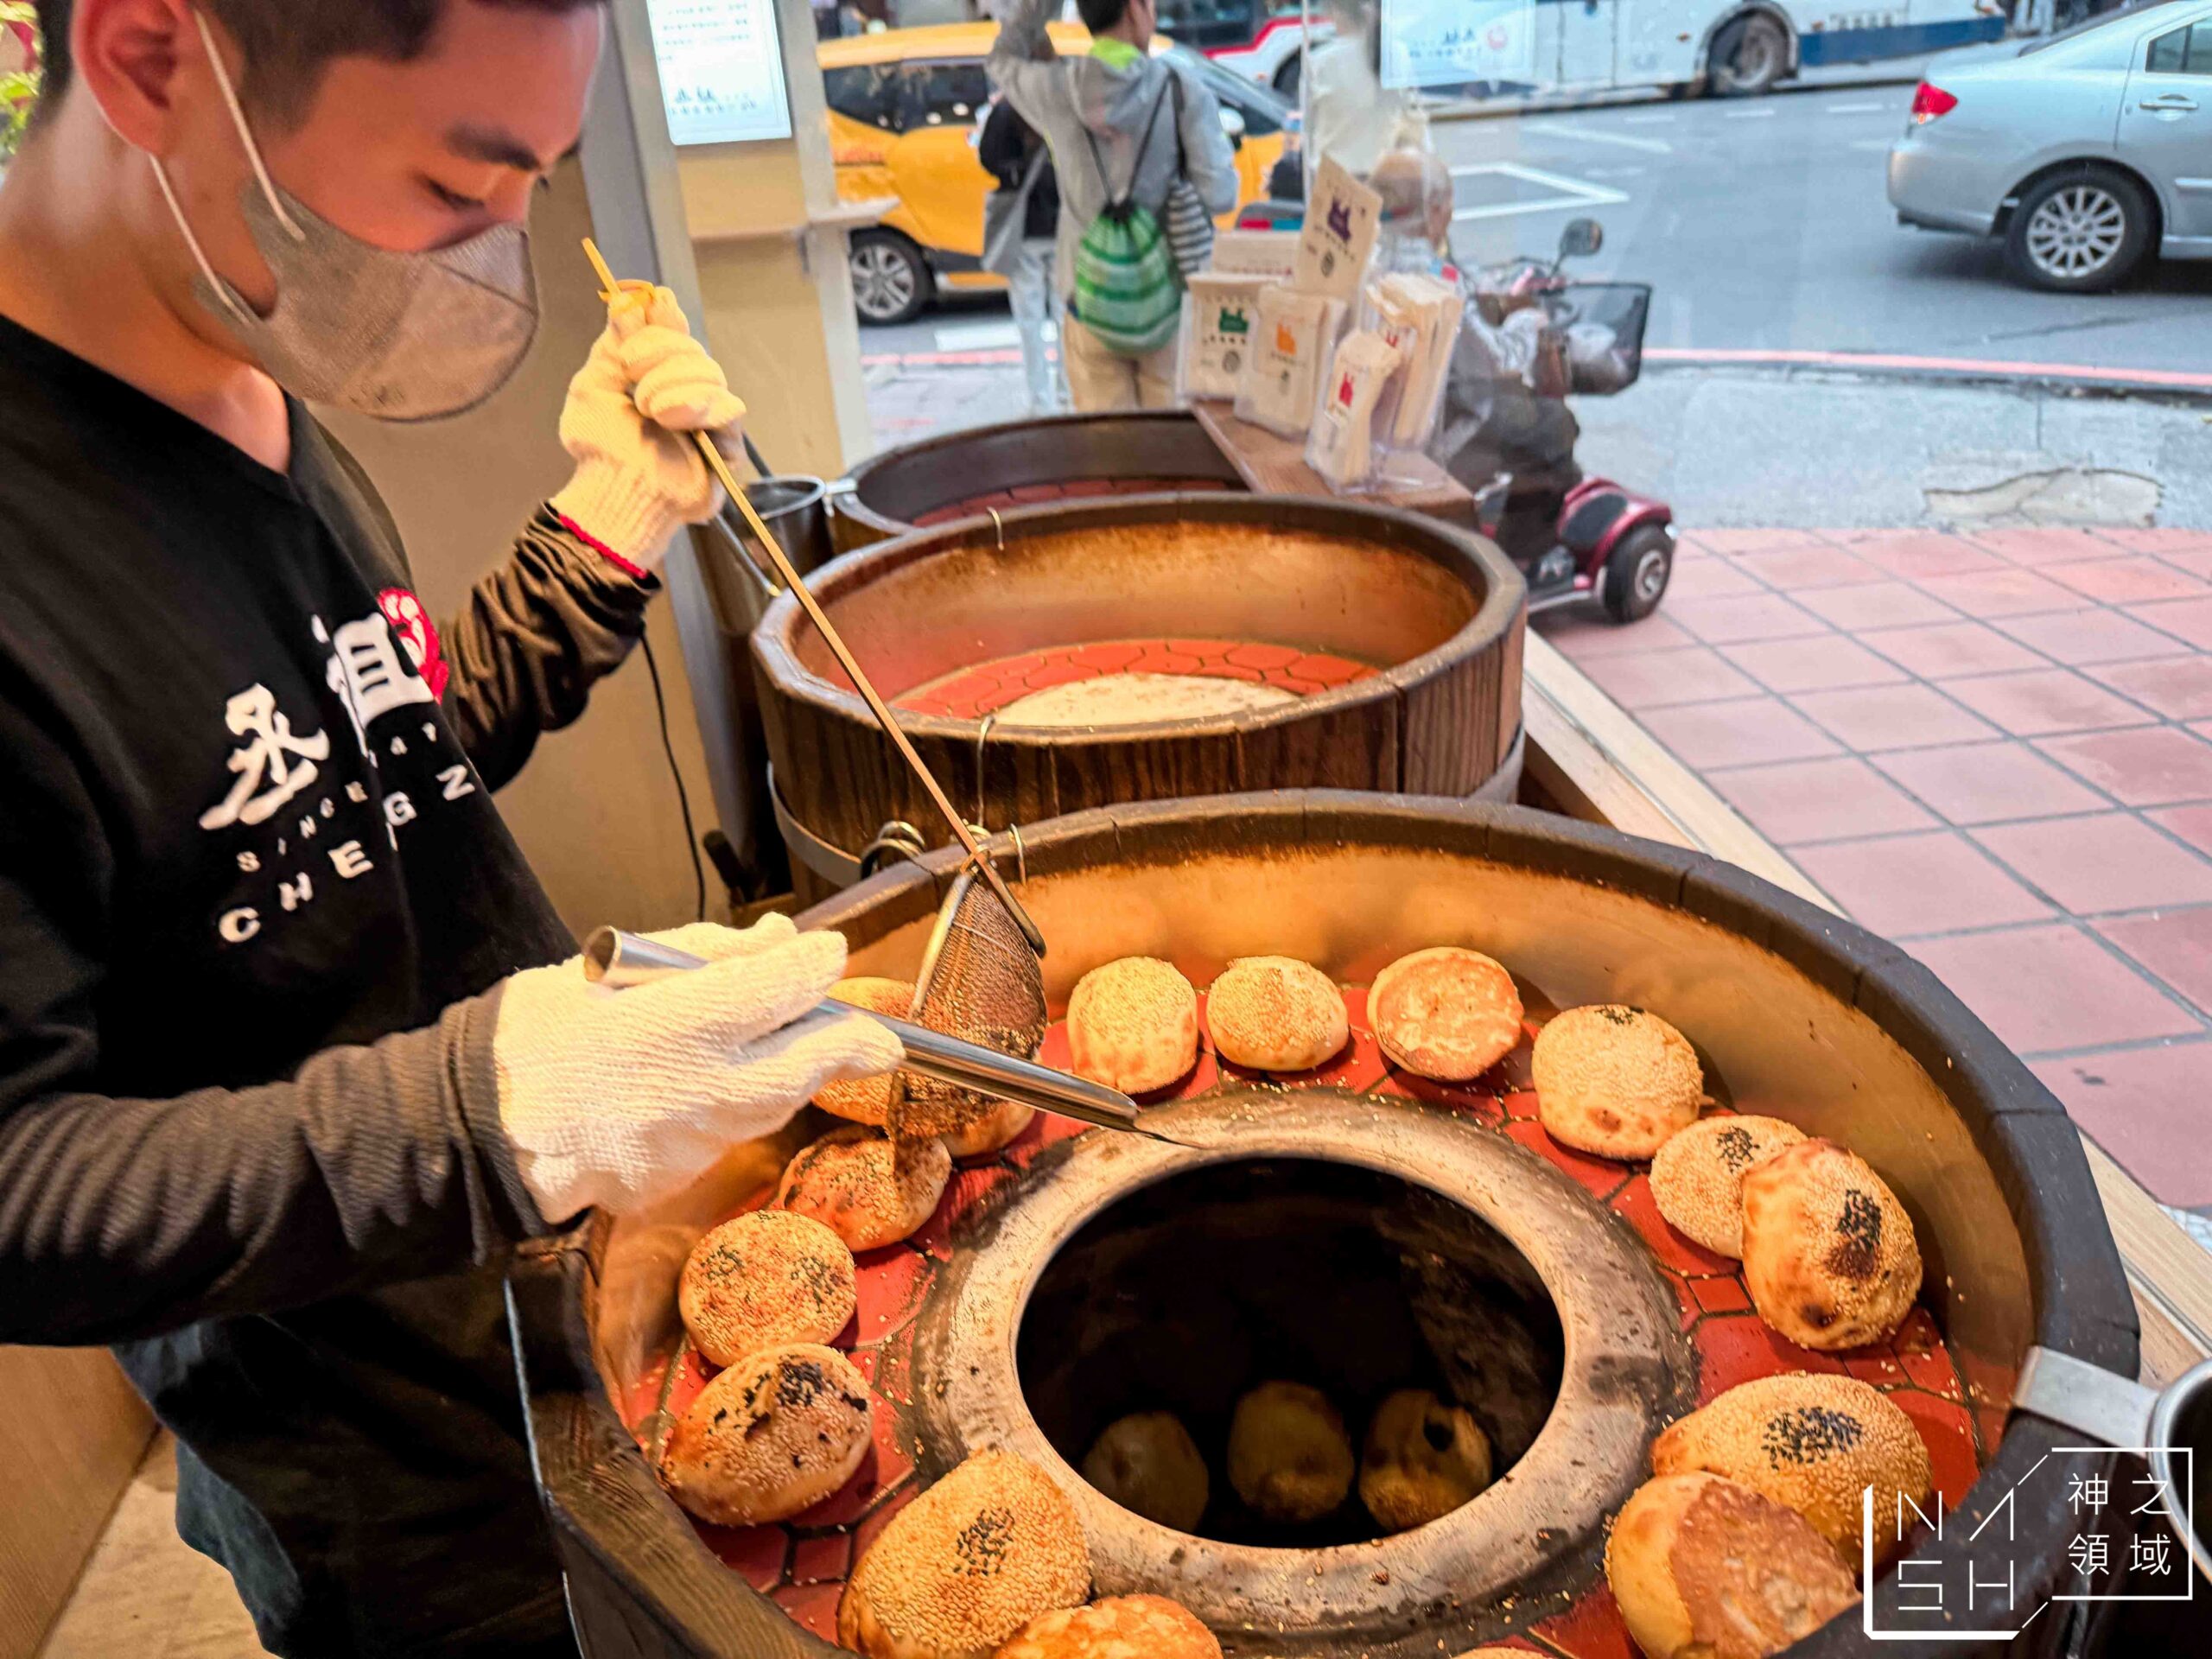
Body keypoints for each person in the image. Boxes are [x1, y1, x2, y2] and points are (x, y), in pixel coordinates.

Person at [0, 3, 901, 1656]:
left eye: (538, 186)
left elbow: (364, 767)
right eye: (461, 184)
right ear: (146, 58)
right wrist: (485, 1109)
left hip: (555, 1312)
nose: (494, 260)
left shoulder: (230, 339)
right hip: (387, 1461)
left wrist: (600, 544)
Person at [988, 0, 1236, 411]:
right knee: (1171, 449)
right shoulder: (1181, 89)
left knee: (1108, 454)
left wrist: (1044, 6)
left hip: (1089, 303)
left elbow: (1001, 57)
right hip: (1168, 308)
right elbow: (1221, 194)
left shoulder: (1054, 89)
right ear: (1137, 10)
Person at [977, 92, 1065, 416]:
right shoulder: (1061, 103)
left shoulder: (1005, 110)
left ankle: (1041, 402)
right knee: (1065, 316)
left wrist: (1015, 172)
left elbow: (987, 158)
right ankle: (1069, 395)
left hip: (1022, 225)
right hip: (1062, 224)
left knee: (1029, 320)